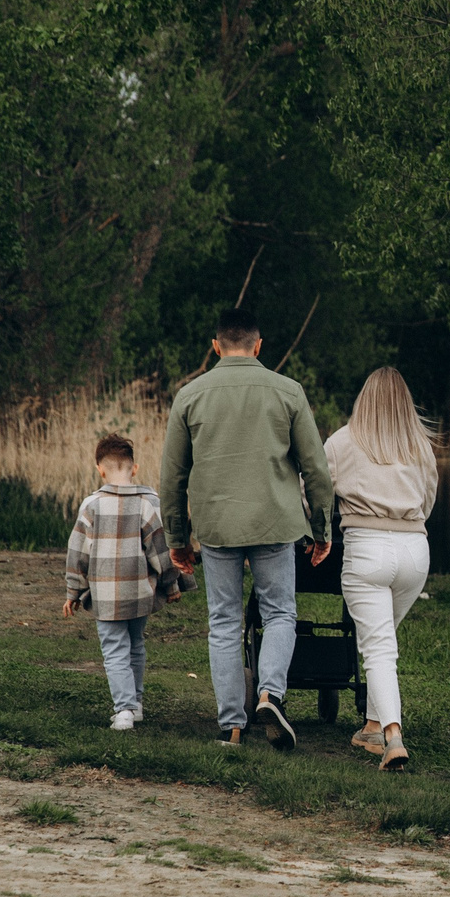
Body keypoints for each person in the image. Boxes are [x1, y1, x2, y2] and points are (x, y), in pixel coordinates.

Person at [161, 305, 335, 748]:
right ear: (259, 346)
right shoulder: (288, 392)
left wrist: (178, 539)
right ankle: (270, 692)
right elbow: (315, 469)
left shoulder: (190, 395)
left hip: (218, 525)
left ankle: (231, 726)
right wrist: (322, 529)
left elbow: (173, 477)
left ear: (216, 346)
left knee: (223, 621)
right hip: (275, 522)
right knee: (279, 613)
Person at [325, 368, 438, 772]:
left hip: (368, 548)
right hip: (414, 550)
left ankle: (392, 734)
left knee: (377, 647)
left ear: (363, 399)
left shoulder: (341, 441)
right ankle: (372, 725)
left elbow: (314, 495)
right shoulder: (419, 446)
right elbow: (429, 499)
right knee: (383, 642)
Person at [61, 433, 186, 732]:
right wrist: (171, 585)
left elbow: (78, 551)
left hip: (105, 594)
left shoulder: (91, 505)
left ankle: (125, 710)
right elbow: (160, 550)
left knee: (114, 649)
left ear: (100, 469)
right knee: (135, 645)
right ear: (135, 468)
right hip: (139, 591)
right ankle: (137, 704)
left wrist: (73, 591)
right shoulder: (149, 503)